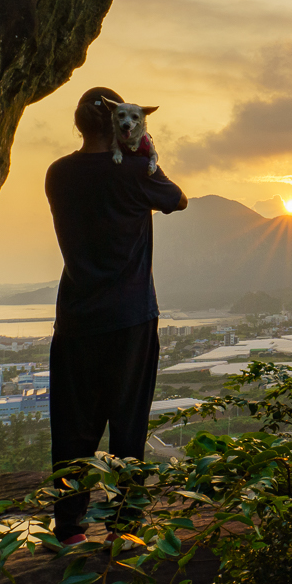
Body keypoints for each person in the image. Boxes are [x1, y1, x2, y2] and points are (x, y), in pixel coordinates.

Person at [44, 85, 188, 542]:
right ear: (116, 124)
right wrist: (144, 151)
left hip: (77, 318)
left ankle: (68, 527)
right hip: (130, 316)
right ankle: (125, 524)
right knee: (128, 422)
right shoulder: (131, 174)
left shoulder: (58, 173)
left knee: (72, 426)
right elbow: (177, 198)